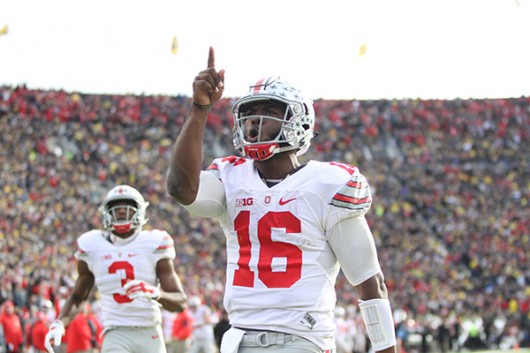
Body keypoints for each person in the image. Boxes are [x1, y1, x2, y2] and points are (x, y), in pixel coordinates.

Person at [166, 47, 397, 353]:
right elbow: (182, 188)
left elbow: (370, 282)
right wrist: (199, 108)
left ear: (298, 119)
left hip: (300, 341)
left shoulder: (328, 185)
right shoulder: (231, 177)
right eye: (247, 114)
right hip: (238, 339)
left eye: (269, 112)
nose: (253, 122)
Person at [44, 185, 188, 353]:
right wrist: (59, 323)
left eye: (127, 208)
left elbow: (180, 302)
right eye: (115, 208)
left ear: (139, 213)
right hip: (115, 331)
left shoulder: (154, 243)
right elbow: (77, 297)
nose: (121, 212)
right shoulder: (92, 246)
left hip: (150, 330)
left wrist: (155, 293)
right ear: (106, 213)